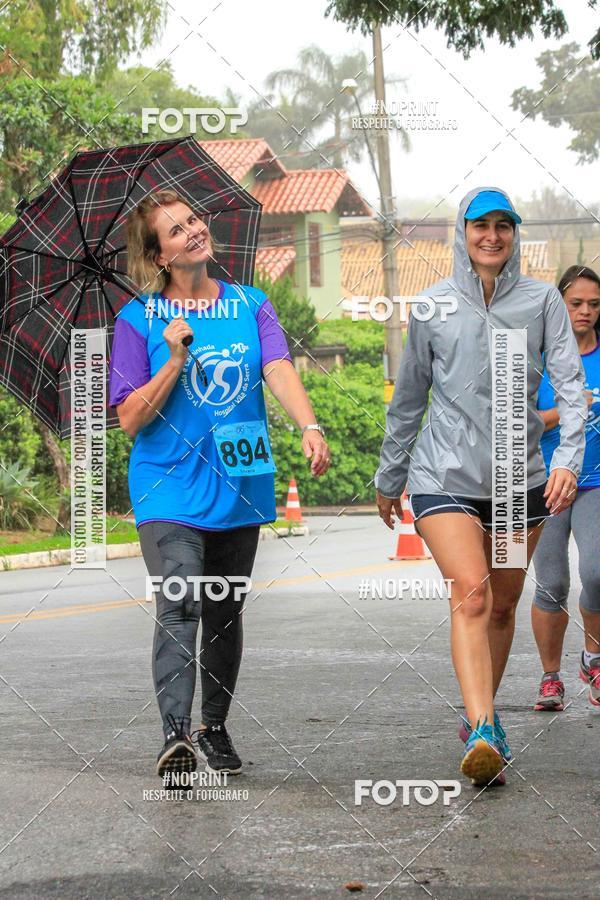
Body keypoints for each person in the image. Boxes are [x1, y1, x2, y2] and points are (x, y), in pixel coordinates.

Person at [108, 189, 331, 779]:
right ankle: (175, 735)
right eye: (176, 230)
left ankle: (214, 726)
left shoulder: (251, 304)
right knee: (180, 600)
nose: (193, 231)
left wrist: (308, 424)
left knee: (223, 612)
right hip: (168, 487)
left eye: (194, 220)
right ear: (159, 256)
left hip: (240, 479)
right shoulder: (138, 320)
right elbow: (129, 416)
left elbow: (277, 367)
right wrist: (174, 360)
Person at [374, 187, 586, 787]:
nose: (491, 236)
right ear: (460, 233)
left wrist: (569, 458)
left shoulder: (543, 302)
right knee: (471, 593)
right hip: (443, 476)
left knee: (503, 604)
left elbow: (571, 389)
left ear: (515, 234)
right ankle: (487, 726)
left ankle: (478, 725)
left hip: (519, 482)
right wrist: (391, 475)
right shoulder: (434, 306)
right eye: (479, 226)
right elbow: (409, 396)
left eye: (503, 226)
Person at [531, 265, 600, 711]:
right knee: (552, 583)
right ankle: (550, 677)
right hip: (546, 483)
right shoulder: (536, 359)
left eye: (594, 304)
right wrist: (571, 407)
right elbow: (520, 425)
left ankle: (593, 659)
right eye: (576, 303)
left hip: (596, 481)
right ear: (559, 304)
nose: (585, 311)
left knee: (597, 573)